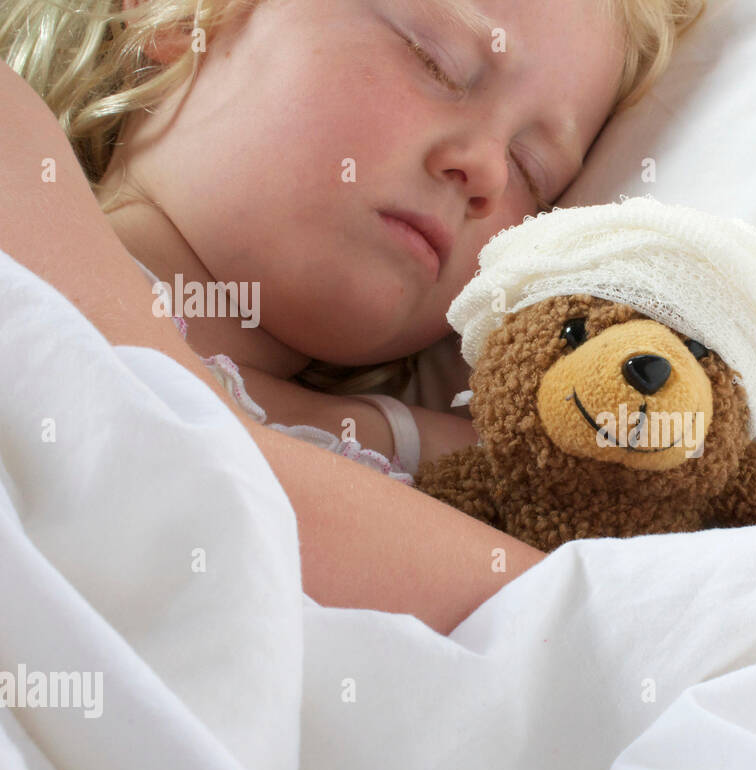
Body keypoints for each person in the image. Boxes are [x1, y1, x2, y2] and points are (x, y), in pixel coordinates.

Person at [0, 0, 703, 634]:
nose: (487, 170)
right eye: (437, 60)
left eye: (533, 170)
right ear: (174, 16)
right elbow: (149, 452)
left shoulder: (426, 467)